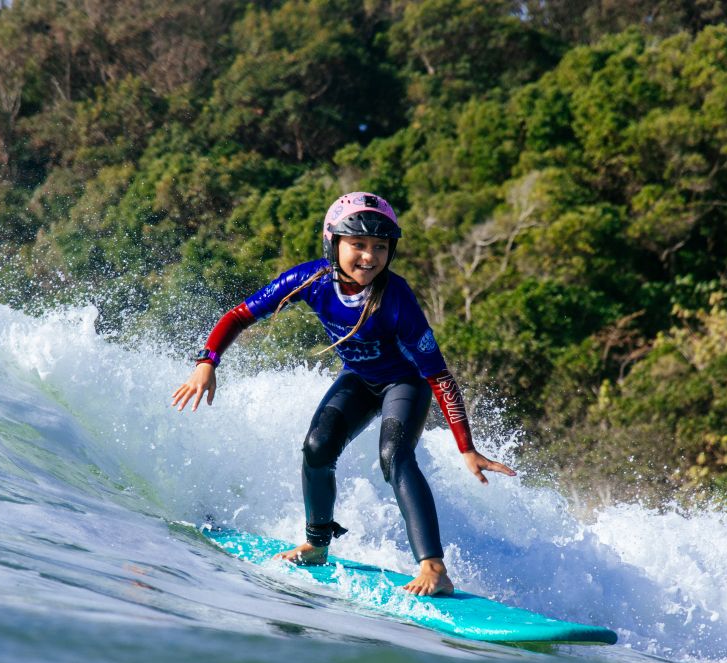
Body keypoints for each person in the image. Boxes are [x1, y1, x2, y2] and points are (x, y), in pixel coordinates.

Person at [172, 191, 516, 596]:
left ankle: (434, 568)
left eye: (379, 247)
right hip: (358, 379)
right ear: (333, 242)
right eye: (358, 245)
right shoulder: (310, 280)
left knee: (394, 456)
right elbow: (240, 315)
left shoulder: (397, 300)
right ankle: (317, 546)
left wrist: (467, 447)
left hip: (404, 384)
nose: (368, 257)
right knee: (316, 448)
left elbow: (439, 376)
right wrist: (206, 361)